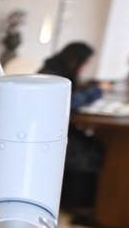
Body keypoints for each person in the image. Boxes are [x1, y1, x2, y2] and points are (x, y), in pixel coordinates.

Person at [40, 42, 104, 208]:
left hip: (58, 129)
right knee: (92, 149)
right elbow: (67, 102)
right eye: (85, 63)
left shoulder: (59, 72)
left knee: (96, 144)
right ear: (75, 60)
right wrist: (95, 91)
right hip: (48, 135)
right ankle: (77, 202)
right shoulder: (50, 76)